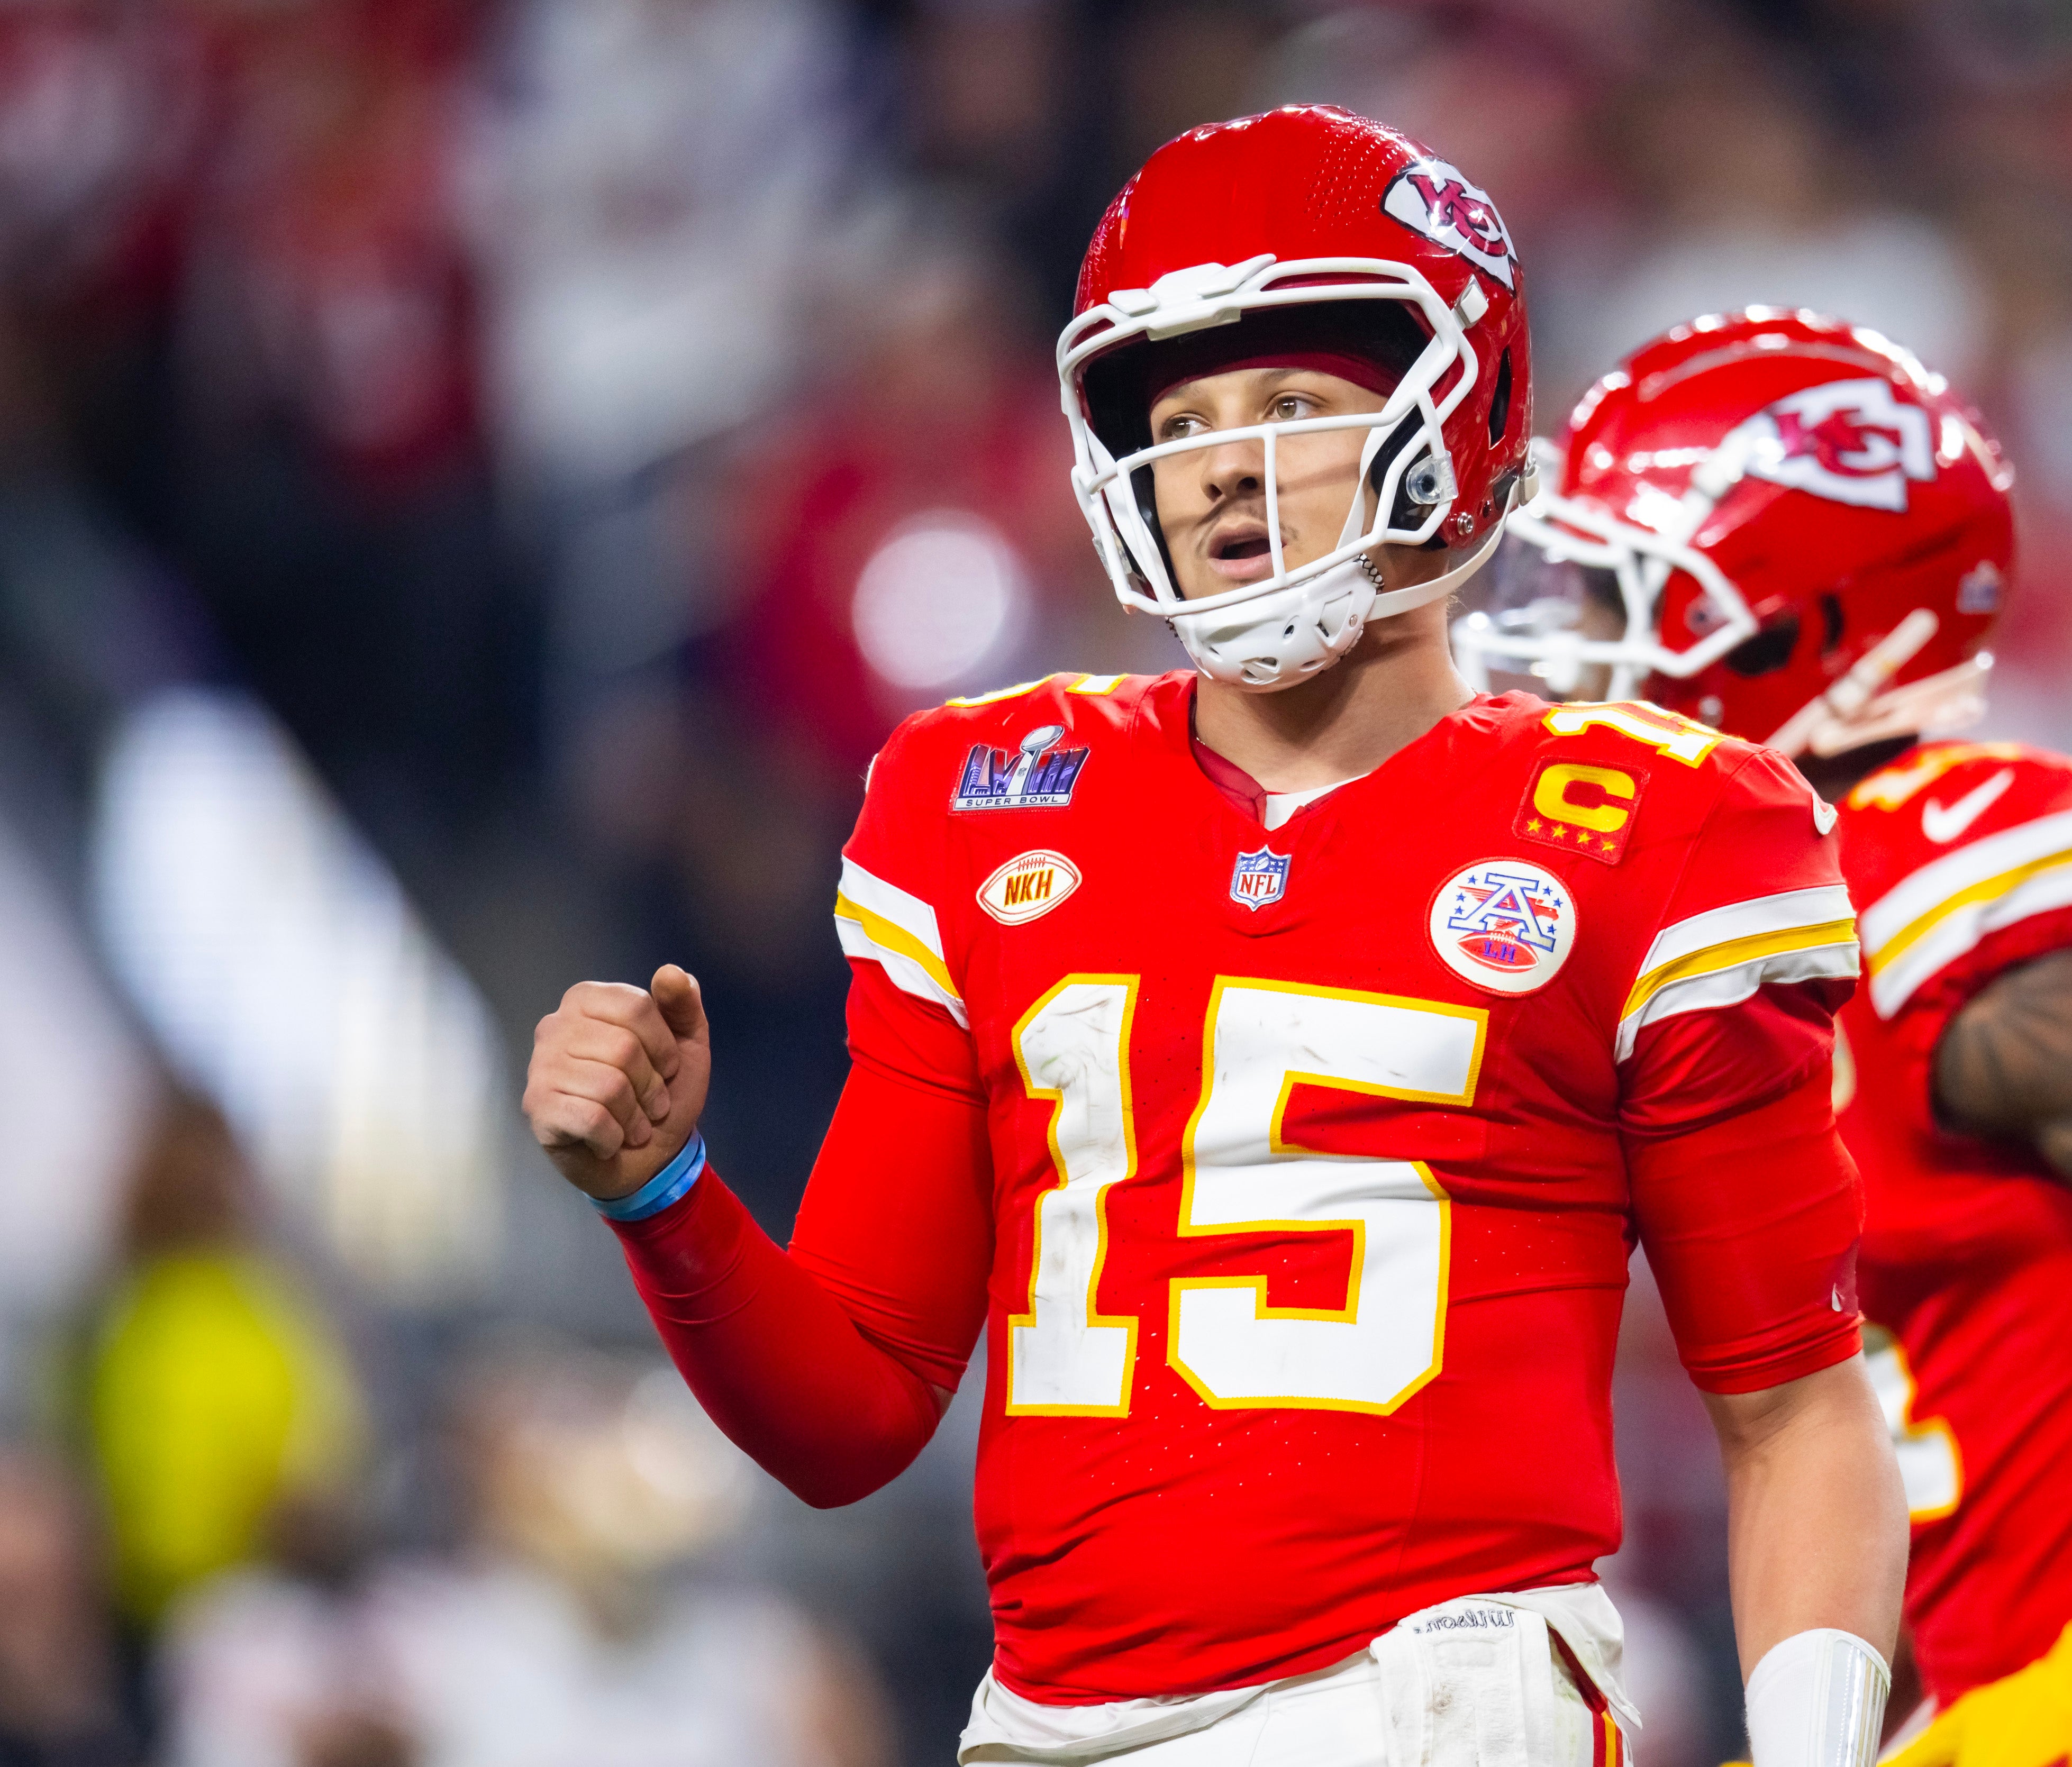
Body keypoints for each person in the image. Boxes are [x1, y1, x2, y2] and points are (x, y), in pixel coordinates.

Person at [523, 107, 1910, 1767]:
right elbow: (857, 1405)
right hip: (1046, 1720)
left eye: (1292, 407)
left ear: (1453, 415)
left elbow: (1795, 1400)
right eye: (1177, 420)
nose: (1219, 470)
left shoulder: (1655, 824)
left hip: (1431, 1699)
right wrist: (663, 1194)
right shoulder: (978, 797)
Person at [1462, 308, 2072, 1767]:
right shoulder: (1763, 911)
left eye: (1622, 602)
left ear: (1809, 634)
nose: (1560, 659)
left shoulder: (1938, 887)